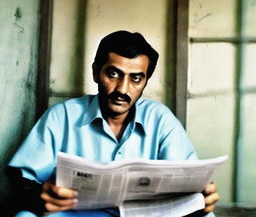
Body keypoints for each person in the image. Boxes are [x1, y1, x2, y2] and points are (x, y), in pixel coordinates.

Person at [7, 31, 219, 217]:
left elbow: (190, 184)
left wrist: (202, 200)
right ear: (96, 72)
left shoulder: (160, 119)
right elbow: (22, 180)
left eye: (136, 78)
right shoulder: (62, 116)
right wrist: (37, 194)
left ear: (145, 81)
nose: (123, 89)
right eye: (114, 74)